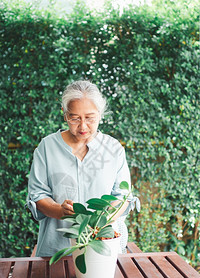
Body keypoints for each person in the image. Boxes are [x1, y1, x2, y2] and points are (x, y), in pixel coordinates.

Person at [26, 80, 140, 257]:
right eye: (75, 118)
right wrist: (59, 211)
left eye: (90, 118)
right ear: (65, 115)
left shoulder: (114, 149)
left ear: (100, 115)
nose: (83, 126)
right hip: (57, 250)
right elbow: (38, 195)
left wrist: (102, 219)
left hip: (103, 251)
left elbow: (123, 197)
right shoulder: (47, 147)